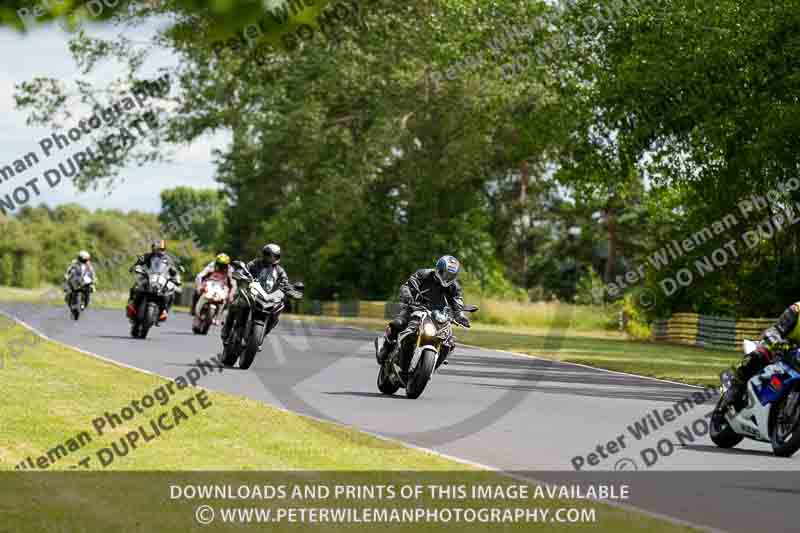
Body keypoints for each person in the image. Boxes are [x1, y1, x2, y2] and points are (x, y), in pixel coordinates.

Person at [376, 255, 471, 364]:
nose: (447, 277)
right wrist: (407, 295)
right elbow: (407, 285)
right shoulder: (424, 274)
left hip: (437, 315)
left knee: (450, 342)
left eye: (451, 275)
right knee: (398, 324)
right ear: (439, 269)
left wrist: (460, 315)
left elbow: (457, 300)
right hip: (415, 307)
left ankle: (433, 363)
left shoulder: (454, 286)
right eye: (445, 273)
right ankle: (384, 350)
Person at [718, 301, 800, 412]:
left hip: (796, 359)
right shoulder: (797, 309)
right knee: (760, 355)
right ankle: (735, 389)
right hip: (780, 346)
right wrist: (777, 341)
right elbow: (777, 328)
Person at [221, 243, 290, 343]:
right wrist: (241, 273)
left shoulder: (280, 271)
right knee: (235, 303)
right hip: (253, 291)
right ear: (264, 254)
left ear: (277, 257)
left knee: (276, 314)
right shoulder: (255, 263)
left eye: (274, 256)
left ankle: (260, 336)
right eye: (268, 255)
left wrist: (290, 289)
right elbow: (245, 269)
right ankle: (227, 328)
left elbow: (285, 283)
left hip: (269, 296)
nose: (271, 258)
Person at [126, 239, 182, 324]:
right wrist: (135, 267)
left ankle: (165, 311)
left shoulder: (168, 259)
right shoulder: (147, 256)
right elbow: (139, 262)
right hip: (148, 276)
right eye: (158, 249)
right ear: (153, 248)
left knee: (171, 292)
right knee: (136, 286)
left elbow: (174, 270)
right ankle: (131, 304)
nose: (160, 251)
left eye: (162, 249)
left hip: (161, 280)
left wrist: (176, 278)